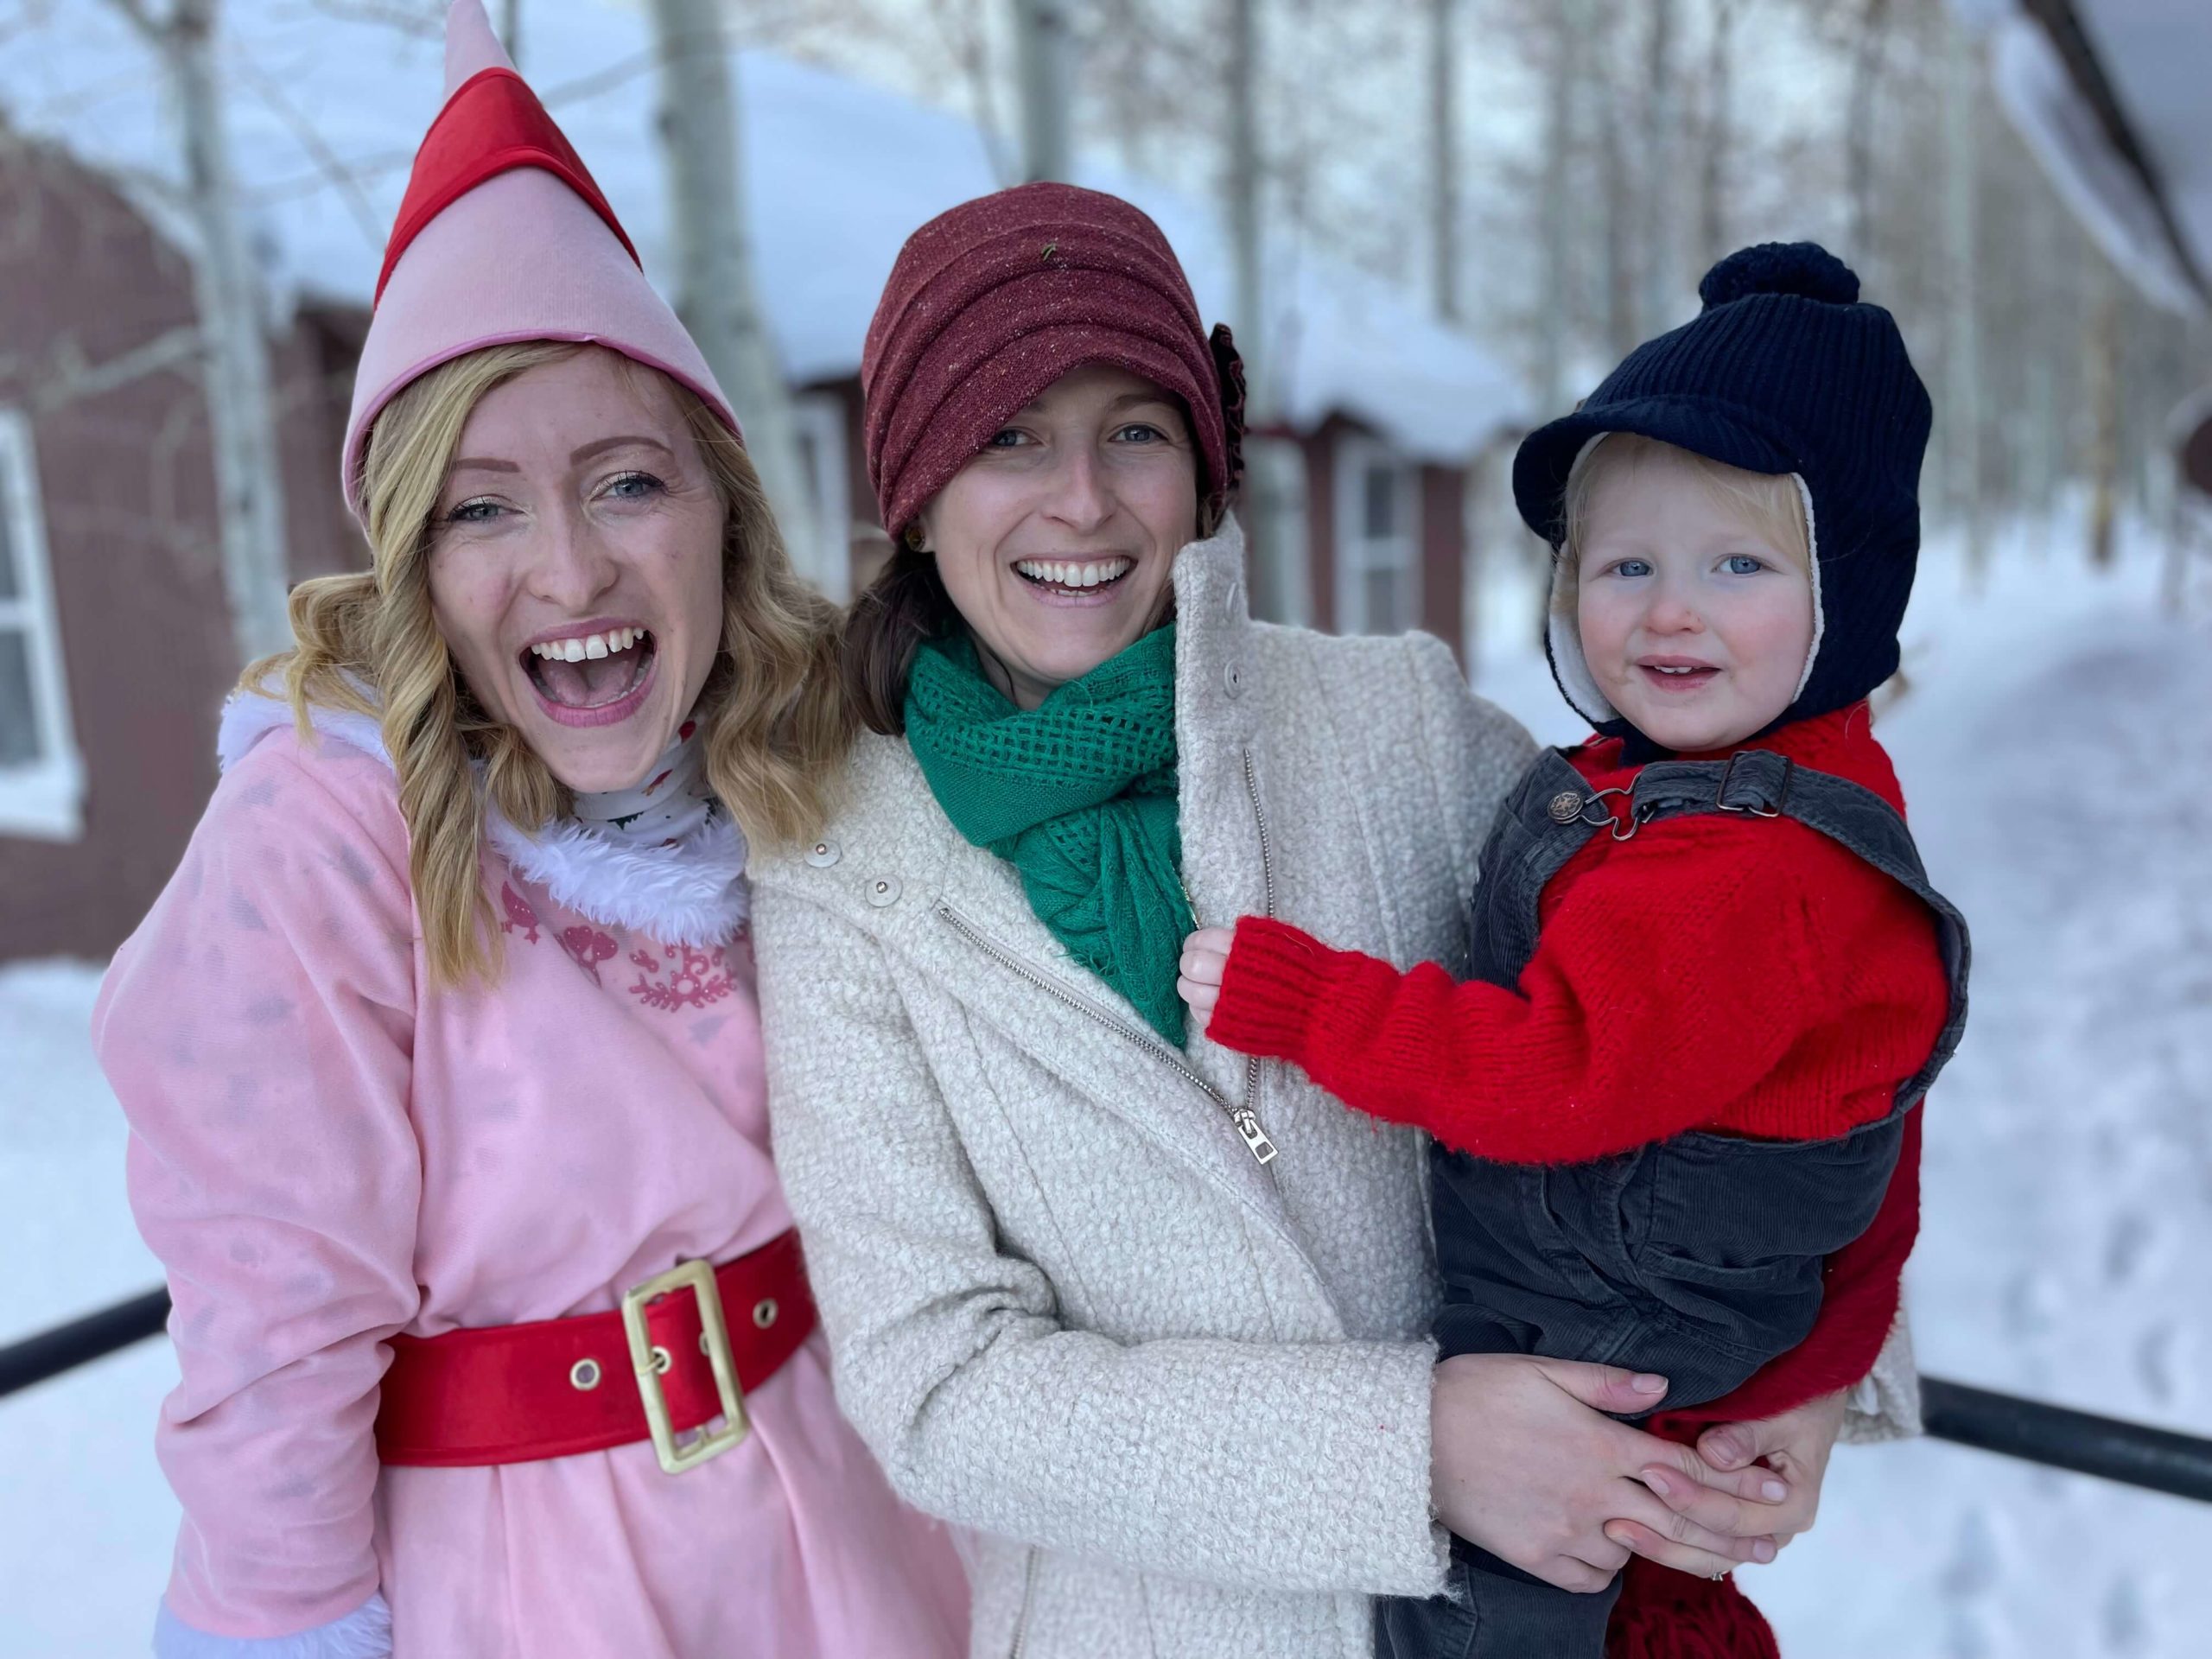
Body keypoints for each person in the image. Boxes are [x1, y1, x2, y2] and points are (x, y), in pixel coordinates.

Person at [749, 188, 1919, 1659]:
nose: (1082, 502)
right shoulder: (836, 866)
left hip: (1567, 1598)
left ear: (1205, 467)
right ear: (913, 489)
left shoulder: (1388, 718)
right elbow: (938, 1389)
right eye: (1009, 437)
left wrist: (1818, 1374)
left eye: (1134, 430)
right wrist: (1411, 1449)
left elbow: (1773, 988)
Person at [92, 5, 966, 1654]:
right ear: (414, 564)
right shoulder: (323, 827)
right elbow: (274, 1309)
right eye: (483, 507)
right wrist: (279, 1623)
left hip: (848, 1515)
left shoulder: (796, 759)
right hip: (533, 1572)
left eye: (629, 484)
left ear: (723, 512)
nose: (567, 573)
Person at [1179, 242, 1968, 1658]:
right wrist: (1829, 1359)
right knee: (1640, 1587)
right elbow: (1869, 1142)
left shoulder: (1750, 869)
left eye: (1738, 564)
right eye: (1626, 564)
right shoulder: (1724, 783)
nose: (1669, 610)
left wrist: (1308, 1004)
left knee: (1490, 1611)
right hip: (1687, 1347)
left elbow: (1559, 1073)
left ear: (1850, 592)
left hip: (1604, 1351)